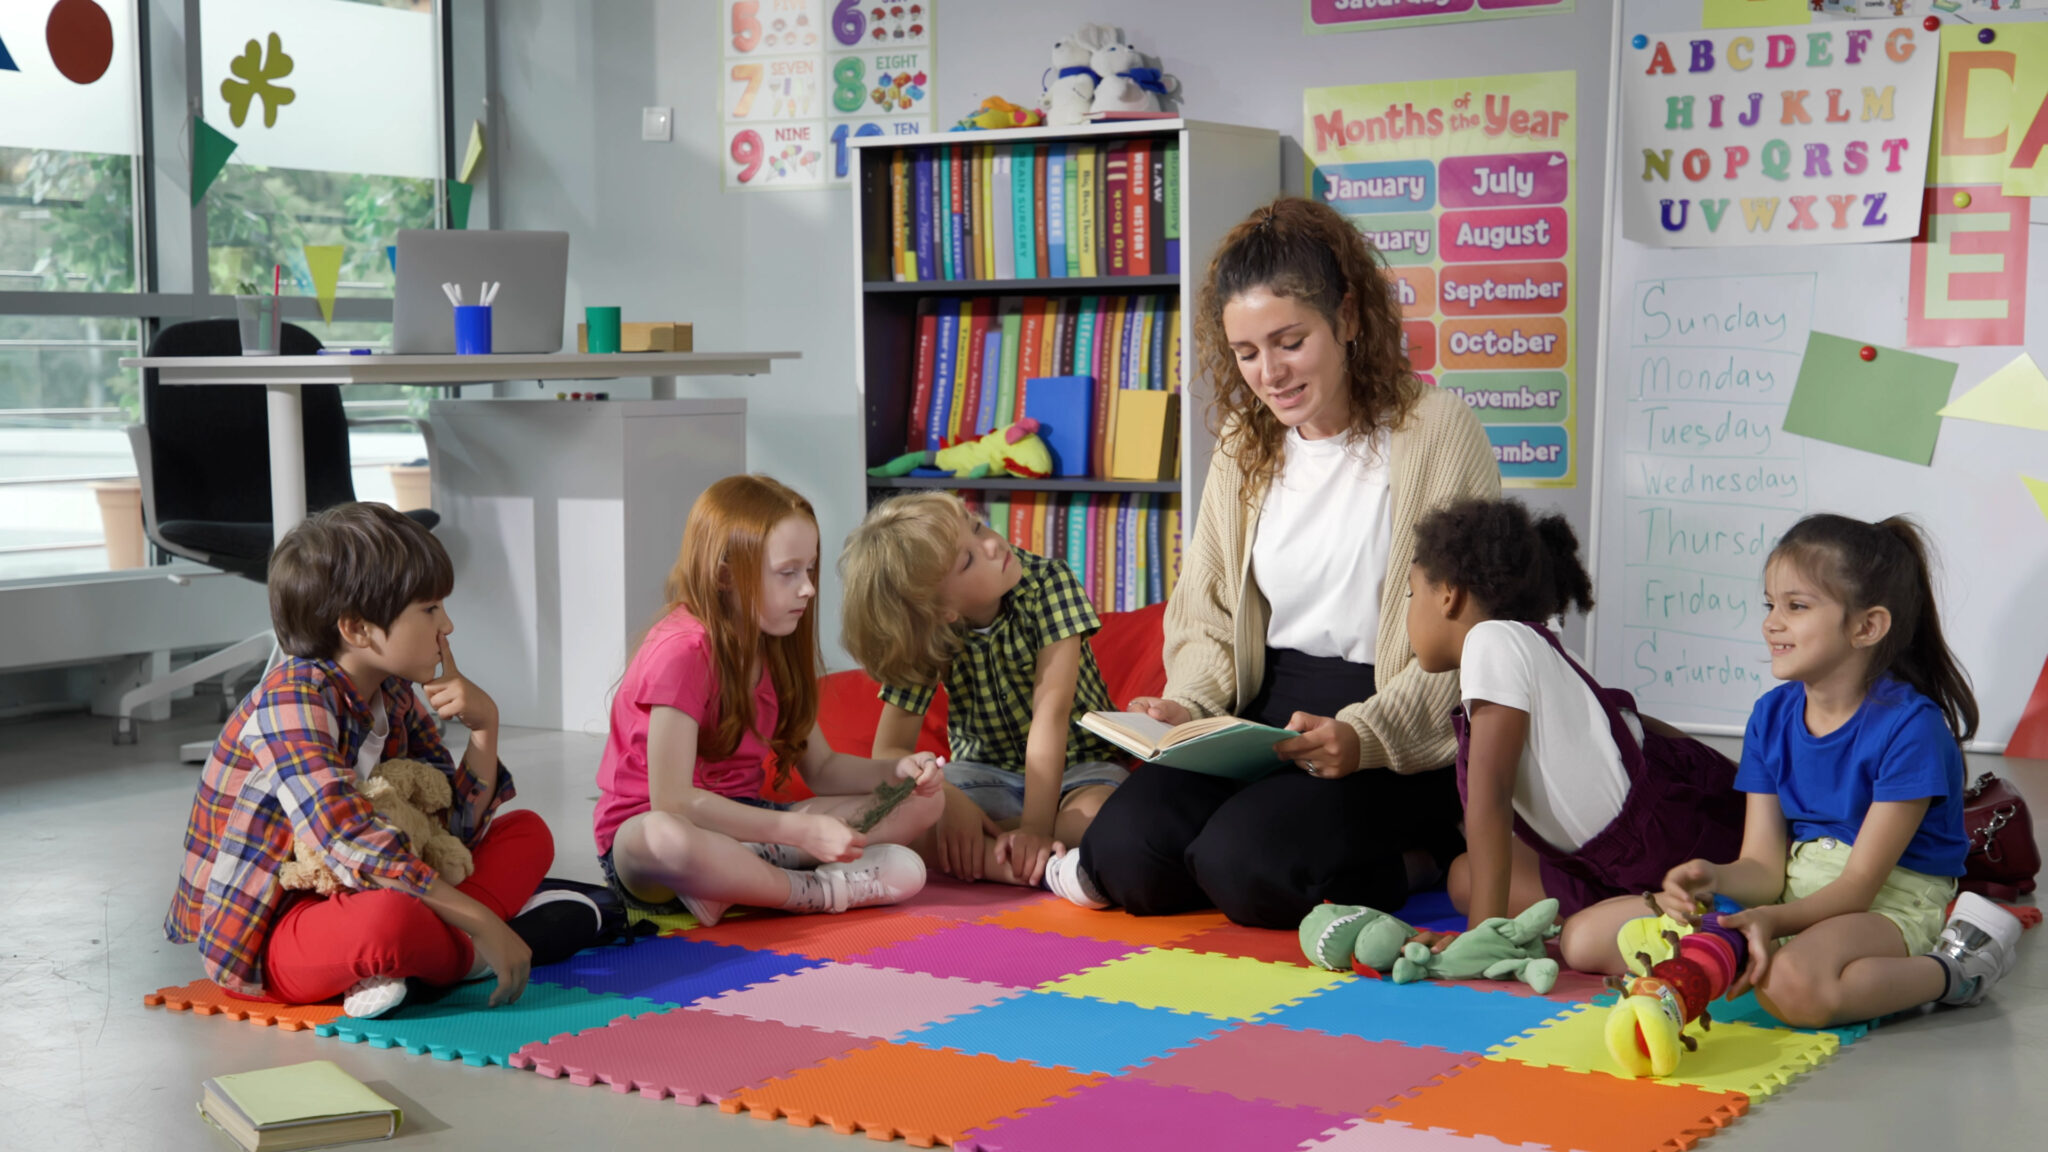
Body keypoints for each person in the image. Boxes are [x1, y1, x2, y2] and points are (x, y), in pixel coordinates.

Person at [1047, 196, 1502, 928]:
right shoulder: (1243, 442)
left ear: (1348, 318)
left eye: (1290, 342)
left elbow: (1471, 636)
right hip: (1261, 713)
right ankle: (1265, 843)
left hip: (1393, 723)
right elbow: (1206, 609)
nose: (1270, 375)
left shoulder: (1437, 431)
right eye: (1247, 353)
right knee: (1124, 856)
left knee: (1246, 867)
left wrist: (1367, 734)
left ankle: (1418, 856)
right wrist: (1187, 709)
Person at [165, 502, 570, 1020]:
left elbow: (449, 831)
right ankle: (483, 948)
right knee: (387, 923)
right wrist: (481, 920)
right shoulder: (291, 700)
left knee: (528, 832)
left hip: (389, 885)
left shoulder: (394, 693)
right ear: (357, 629)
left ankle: (449, 955)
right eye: (429, 610)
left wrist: (485, 728)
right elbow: (345, 838)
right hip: (276, 928)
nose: (448, 624)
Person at [1653, 514, 2022, 1025]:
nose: (1771, 623)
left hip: (1889, 900)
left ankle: (1958, 969)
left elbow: (1859, 887)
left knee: (1791, 986)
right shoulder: (1770, 716)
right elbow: (1762, 868)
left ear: (1866, 626)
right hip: (1799, 892)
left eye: (1796, 606)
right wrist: (1713, 879)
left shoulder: (1911, 728)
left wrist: (1766, 919)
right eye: (1770, 604)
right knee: (1593, 939)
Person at [1403, 496, 1745, 966]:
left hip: (1680, 838)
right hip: (1606, 861)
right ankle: (1645, 916)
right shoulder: (1527, 647)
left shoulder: (1492, 640)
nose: (1406, 612)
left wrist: (1478, 940)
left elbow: (1491, 798)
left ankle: (1724, 919)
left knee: (1545, 923)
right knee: (1464, 877)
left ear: (1448, 594)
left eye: (1410, 593)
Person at [595, 475, 943, 928]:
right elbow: (672, 802)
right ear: (725, 574)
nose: (808, 589)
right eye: (788, 572)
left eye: (810, 570)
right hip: (649, 844)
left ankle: (738, 876)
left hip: (751, 829)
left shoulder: (774, 645)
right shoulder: (681, 651)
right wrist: (800, 832)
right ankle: (812, 891)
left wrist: (895, 772)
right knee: (666, 836)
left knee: (925, 802)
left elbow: (823, 770)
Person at [841, 491, 1128, 888]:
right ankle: (1026, 865)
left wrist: (1034, 829)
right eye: (968, 559)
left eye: (976, 526)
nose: (993, 544)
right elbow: (889, 752)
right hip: (981, 776)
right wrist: (948, 801)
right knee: (892, 816)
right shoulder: (930, 631)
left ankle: (998, 848)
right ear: (943, 611)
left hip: (1078, 767)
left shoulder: (1049, 583)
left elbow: (1051, 713)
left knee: (1100, 817)